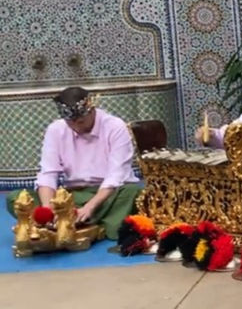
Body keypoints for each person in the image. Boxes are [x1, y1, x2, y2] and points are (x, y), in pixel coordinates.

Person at [6, 87, 142, 239]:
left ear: (92, 111)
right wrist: (48, 209)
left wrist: (90, 207)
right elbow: (48, 174)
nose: (76, 127)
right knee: (17, 198)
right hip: (73, 196)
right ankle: (77, 222)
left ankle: (73, 222)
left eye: (80, 122)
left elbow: (116, 176)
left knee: (132, 193)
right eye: (71, 123)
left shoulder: (115, 126)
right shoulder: (56, 129)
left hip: (109, 194)